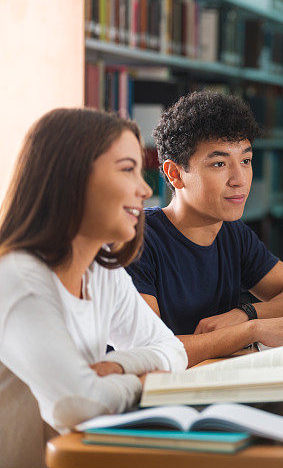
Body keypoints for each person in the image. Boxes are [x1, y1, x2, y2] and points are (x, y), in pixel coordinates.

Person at [0, 109, 188, 467]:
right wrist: (143, 384)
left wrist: (117, 366)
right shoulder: (16, 276)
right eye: (127, 168)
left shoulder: (100, 268)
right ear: (71, 177)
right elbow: (75, 404)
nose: (145, 188)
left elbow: (172, 350)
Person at [126, 91, 283, 367]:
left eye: (246, 161)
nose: (239, 179)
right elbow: (152, 352)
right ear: (175, 174)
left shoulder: (233, 234)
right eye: (219, 164)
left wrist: (246, 313)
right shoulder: (137, 238)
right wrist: (250, 330)